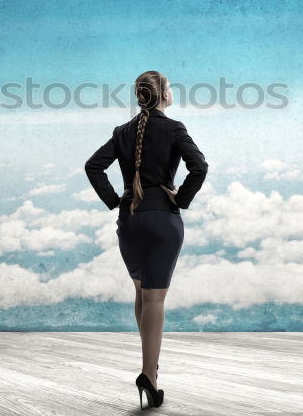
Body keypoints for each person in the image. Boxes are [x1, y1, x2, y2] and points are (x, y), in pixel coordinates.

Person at [84, 70, 209, 409]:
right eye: (169, 88)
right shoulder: (174, 129)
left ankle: (150, 369)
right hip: (161, 220)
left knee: (141, 292)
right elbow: (200, 167)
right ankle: (148, 376)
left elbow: (93, 166)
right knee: (155, 298)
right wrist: (180, 199)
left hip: (129, 219)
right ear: (163, 95)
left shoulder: (122, 132)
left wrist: (115, 201)